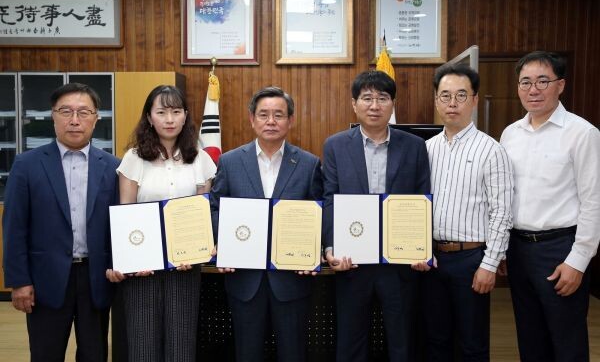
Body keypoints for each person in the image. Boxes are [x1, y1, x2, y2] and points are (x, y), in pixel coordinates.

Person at [2, 82, 119, 362]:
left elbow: (118, 225)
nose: (75, 120)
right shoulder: (27, 164)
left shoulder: (114, 166)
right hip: (45, 280)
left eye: (83, 112)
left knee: (94, 355)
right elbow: (14, 227)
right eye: (66, 111)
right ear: (53, 116)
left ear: (96, 118)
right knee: (45, 354)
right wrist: (19, 281)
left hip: (95, 278)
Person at [322, 70, 431, 361]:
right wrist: (331, 247)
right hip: (352, 261)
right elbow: (330, 198)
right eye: (367, 98)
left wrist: (423, 248)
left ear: (393, 103)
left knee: (402, 342)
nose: (374, 105)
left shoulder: (414, 146)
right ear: (354, 104)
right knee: (351, 341)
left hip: (400, 263)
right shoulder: (335, 146)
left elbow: (422, 198)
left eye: (382, 98)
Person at [210, 86, 323, 362]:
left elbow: (319, 212)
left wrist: (315, 249)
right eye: (263, 114)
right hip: (245, 279)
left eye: (278, 115)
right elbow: (215, 207)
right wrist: (222, 244)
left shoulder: (309, 164)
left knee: (293, 354)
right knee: (247, 354)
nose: (271, 121)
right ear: (252, 119)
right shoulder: (230, 161)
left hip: (292, 279)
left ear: (290, 120)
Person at [500, 51, 600, 361]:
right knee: (530, 340)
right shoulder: (510, 134)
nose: (533, 90)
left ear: (561, 85)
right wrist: (501, 247)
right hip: (518, 249)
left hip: (559, 251)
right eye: (525, 82)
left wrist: (578, 260)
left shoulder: (582, 133)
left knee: (567, 342)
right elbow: (504, 196)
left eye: (543, 81)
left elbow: (593, 201)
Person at [105, 85, 216, 362]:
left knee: (181, 346)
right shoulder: (134, 158)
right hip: (143, 266)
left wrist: (199, 250)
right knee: (143, 346)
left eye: (176, 112)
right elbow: (127, 212)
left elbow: (203, 213)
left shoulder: (200, 158)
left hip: (185, 265)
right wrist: (133, 259)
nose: (169, 119)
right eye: (162, 112)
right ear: (149, 117)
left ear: (185, 116)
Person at [415, 64, 513, 361]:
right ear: (436, 101)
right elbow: (417, 204)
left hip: (471, 260)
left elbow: (502, 212)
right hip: (432, 260)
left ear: (474, 100)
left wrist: (490, 264)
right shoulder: (426, 149)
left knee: (472, 344)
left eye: (461, 95)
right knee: (436, 341)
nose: (452, 103)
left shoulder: (491, 150)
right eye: (445, 96)